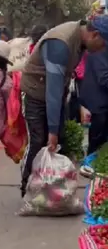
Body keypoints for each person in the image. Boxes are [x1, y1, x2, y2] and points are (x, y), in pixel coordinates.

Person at [19, 18, 108, 196]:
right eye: (104, 44)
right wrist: (52, 131)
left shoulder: (81, 41)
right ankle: (27, 186)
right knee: (39, 140)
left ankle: (51, 192)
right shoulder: (60, 44)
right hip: (36, 95)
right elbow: (53, 90)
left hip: (57, 94)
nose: (103, 49)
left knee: (59, 141)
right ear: (95, 35)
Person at [82, 49, 108, 155]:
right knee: (98, 142)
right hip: (100, 103)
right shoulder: (100, 48)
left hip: (102, 102)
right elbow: (104, 78)